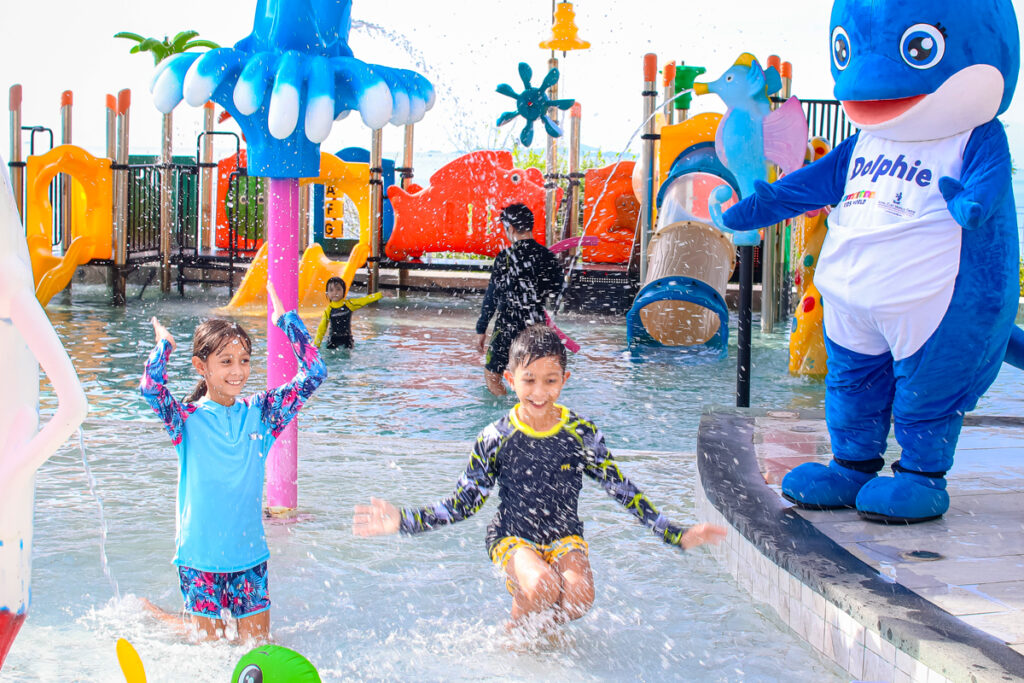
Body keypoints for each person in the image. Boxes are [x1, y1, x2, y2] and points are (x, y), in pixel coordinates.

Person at [353, 324, 726, 631]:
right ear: (510, 379)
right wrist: (404, 520)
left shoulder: (581, 434)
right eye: (529, 380)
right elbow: (463, 504)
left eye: (550, 381)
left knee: (580, 598)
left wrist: (675, 534)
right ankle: (513, 636)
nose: (539, 392)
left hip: (564, 537)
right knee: (543, 586)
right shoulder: (495, 437)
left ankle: (539, 634)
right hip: (512, 537)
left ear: (564, 380)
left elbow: (621, 489)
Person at [139, 283, 326, 643]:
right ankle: (164, 618)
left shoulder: (262, 413)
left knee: (255, 648)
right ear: (201, 366)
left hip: (249, 558)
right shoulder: (185, 420)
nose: (237, 371)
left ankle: (172, 619)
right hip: (199, 560)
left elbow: (315, 373)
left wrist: (286, 321)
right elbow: (150, 387)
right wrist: (165, 345)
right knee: (209, 653)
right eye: (225, 361)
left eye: (244, 360)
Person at [476, 203, 564, 396]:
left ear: (511, 228)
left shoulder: (505, 257)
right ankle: (530, 407)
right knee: (532, 376)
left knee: (492, 375)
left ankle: (505, 409)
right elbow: (558, 291)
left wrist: (481, 328)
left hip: (507, 325)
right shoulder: (547, 257)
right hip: (535, 327)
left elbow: (492, 296)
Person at [313, 276, 383, 350]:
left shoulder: (349, 304)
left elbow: (365, 300)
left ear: (344, 291)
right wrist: (316, 345)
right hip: (333, 340)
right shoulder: (328, 310)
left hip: (347, 339)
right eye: (331, 290)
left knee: (347, 353)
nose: (335, 292)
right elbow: (322, 328)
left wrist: (380, 294)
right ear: (327, 294)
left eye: (338, 289)